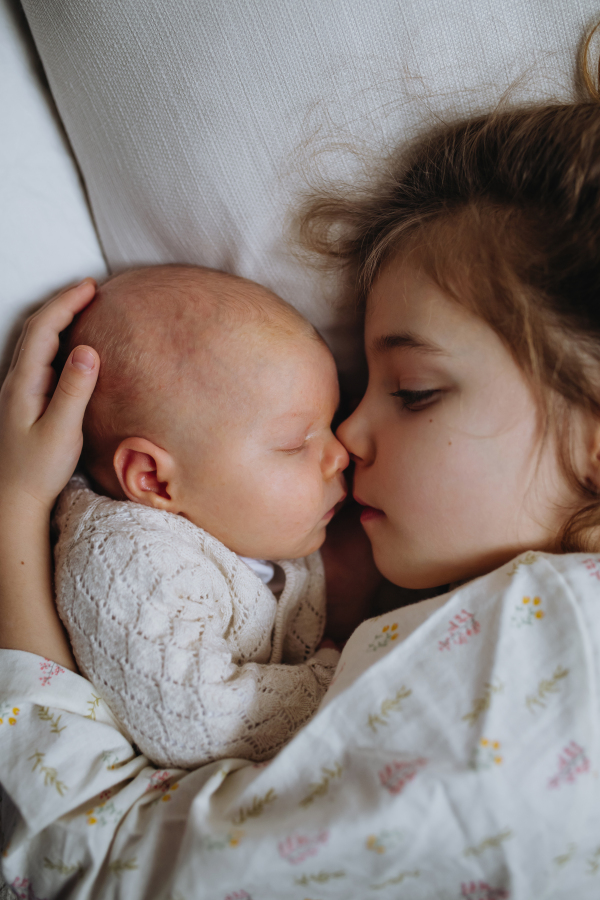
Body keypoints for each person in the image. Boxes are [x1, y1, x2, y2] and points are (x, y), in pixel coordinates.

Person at [3, 36, 600, 899]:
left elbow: (95, 866)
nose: (350, 434)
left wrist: (14, 510)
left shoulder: (551, 642)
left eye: (418, 390)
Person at [52, 265, 348, 769]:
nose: (339, 454)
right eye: (296, 443)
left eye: (332, 424)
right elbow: (198, 723)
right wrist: (339, 674)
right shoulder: (128, 560)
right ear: (154, 480)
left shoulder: (241, 521)